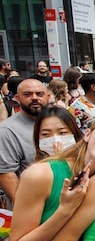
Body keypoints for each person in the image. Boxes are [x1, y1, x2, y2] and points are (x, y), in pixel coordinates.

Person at [0, 79, 48, 207]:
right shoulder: (7, 131)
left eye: (39, 94)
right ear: (17, 98)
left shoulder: (56, 121)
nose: (34, 98)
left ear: (47, 96)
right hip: (32, 206)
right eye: (27, 94)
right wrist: (24, 209)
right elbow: (6, 174)